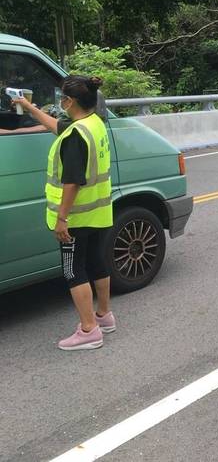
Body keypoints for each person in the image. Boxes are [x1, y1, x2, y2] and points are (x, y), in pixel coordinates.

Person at [13, 75, 115, 350]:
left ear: (69, 102)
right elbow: (57, 125)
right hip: (99, 211)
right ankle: (104, 316)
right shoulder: (94, 124)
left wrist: (62, 219)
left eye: (62, 99)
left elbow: (72, 182)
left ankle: (89, 330)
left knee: (73, 270)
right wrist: (28, 106)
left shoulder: (74, 136)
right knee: (96, 260)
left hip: (76, 216)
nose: (60, 103)